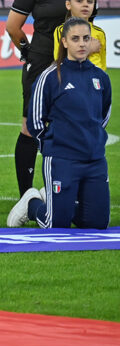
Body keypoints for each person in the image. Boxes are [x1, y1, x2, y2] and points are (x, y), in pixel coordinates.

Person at [5, 0, 88, 197]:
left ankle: (64, 191)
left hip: (73, 66)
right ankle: (25, 196)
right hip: (40, 63)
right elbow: (12, 27)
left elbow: (89, 28)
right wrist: (29, 53)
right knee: (30, 127)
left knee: (68, 125)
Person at [9, 18, 111, 229]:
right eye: (75, 39)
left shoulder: (101, 77)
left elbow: (104, 114)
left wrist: (91, 139)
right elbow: (35, 120)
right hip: (61, 159)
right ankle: (32, 204)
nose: (82, 44)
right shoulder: (49, 76)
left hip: (94, 160)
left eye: (86, 38)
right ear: (64, 42)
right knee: (54, 224)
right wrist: (53, 148)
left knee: (98, 224)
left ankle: (60, 202)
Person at [53, 0, 107, 74]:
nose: (85, 4)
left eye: (90, 1)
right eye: (79, 1)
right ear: (68, 5)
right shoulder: (61, 30)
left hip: (96, 80)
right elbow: (60, 60)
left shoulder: (99, 32)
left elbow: (103, 62)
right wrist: (89, 49)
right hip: (72, 79)